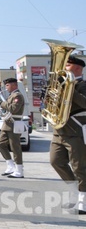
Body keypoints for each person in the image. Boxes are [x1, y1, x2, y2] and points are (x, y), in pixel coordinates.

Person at [49, 54, 86, 214]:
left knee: (80, 167)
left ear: (77, 68)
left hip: (75, 131)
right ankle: (74, 192)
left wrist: (69, 88)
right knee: (56, 161)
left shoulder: (83, 85)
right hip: (59, 131)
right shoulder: (62, 84)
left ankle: (83, 202)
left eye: (68, 65)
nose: (64, 68)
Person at [0, 77, 26, 178]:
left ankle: (19, 170)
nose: (6, 87)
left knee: (15, 147)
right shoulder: (11, 96)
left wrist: (2, 103)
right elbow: (7, 108)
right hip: (7, 123)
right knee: (0, 144)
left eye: (7, 85)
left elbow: (13, 108)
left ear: (14, 85)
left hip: (14, 123)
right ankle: (10, 166)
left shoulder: (18, 96)